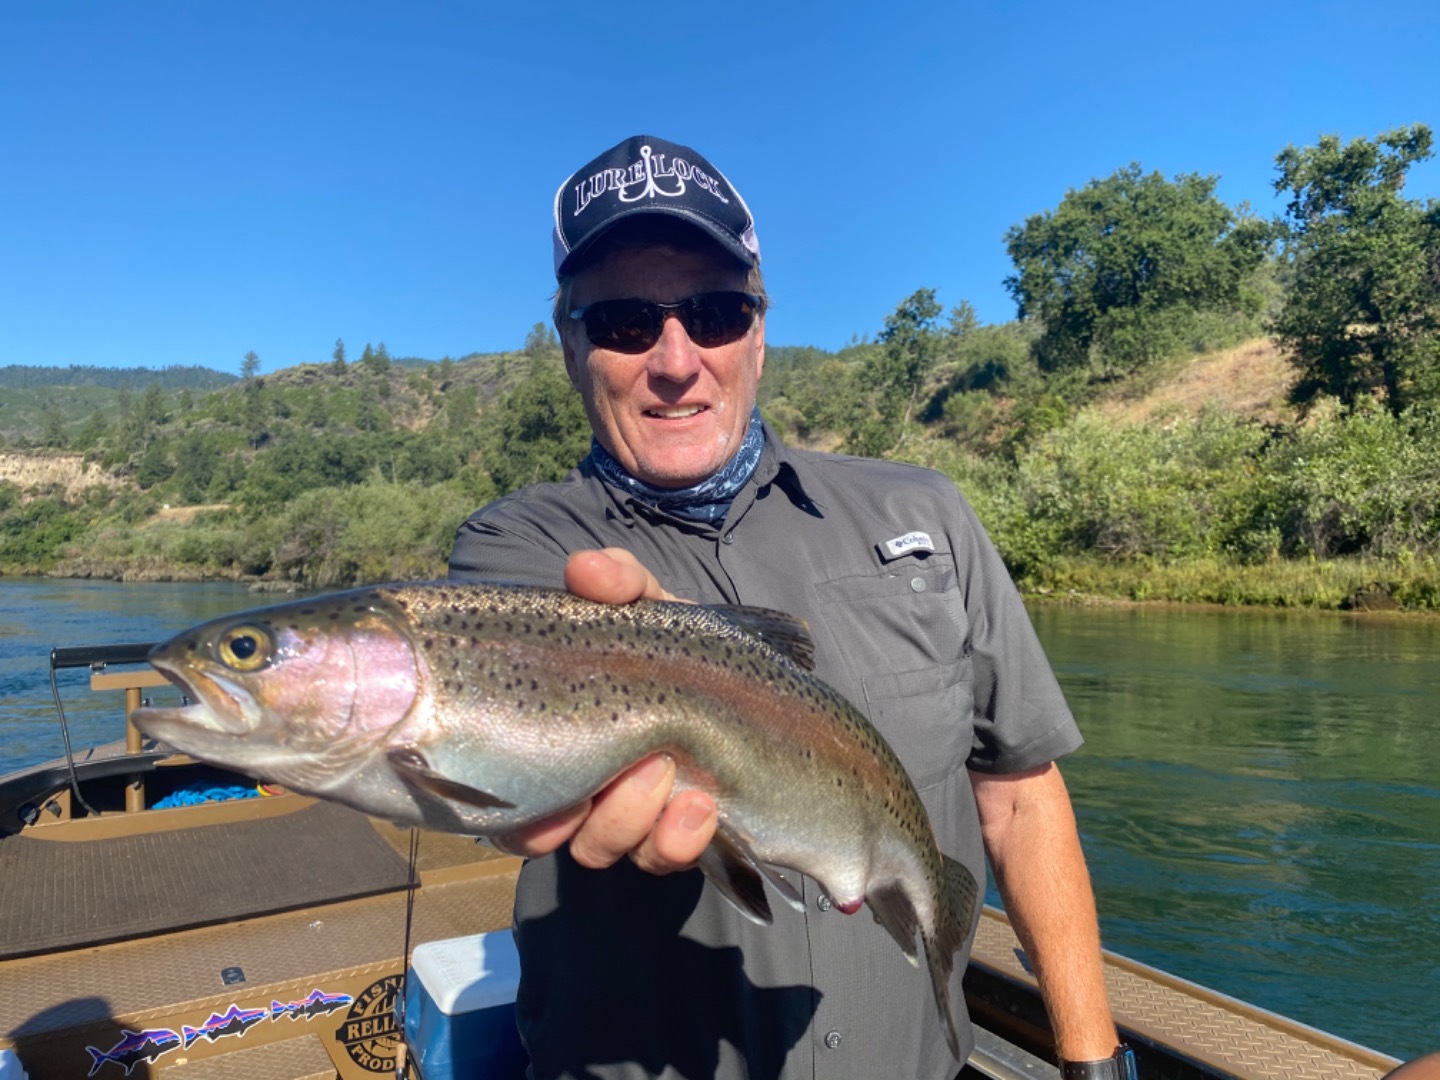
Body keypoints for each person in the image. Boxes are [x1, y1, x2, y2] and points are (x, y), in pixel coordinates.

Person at [449, 134, 1133, 1080]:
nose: (677, 360)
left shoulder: (924, 512)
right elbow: (483, 738)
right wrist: (670, 662)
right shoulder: (512, 557)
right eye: (626, 322)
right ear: (572, 348)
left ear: (760, 334)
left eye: (716, 312)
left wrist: (1093, 1063)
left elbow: (1018, 796)